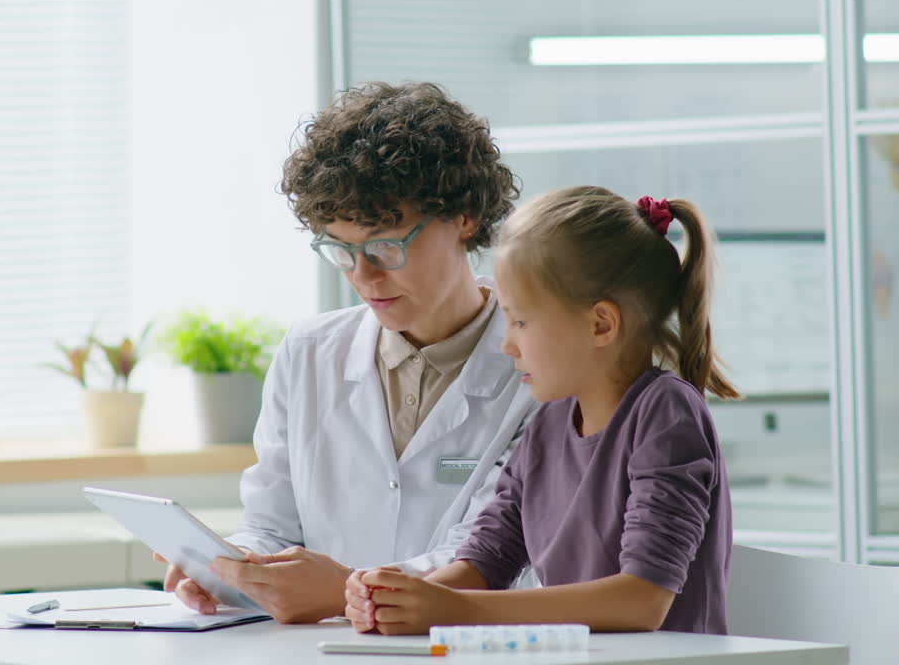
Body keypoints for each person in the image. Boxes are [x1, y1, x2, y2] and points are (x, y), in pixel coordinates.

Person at [163, 82, 538, 623]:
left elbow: (496, 553)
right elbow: (271, 524)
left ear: (465, 217)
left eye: (386, 245)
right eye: (341, 250)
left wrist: (347, 590)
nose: (363, 276)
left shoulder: (541, 364)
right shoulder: (309, 352)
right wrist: (234, 567)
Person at [344, 186, 739, 635]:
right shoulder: (547, 422)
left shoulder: (665, 413)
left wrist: (456, 610)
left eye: (521, 321)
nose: (507, 343)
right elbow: (487, 560)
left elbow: (642, 601)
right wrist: (405, 598)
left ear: (600, 324)